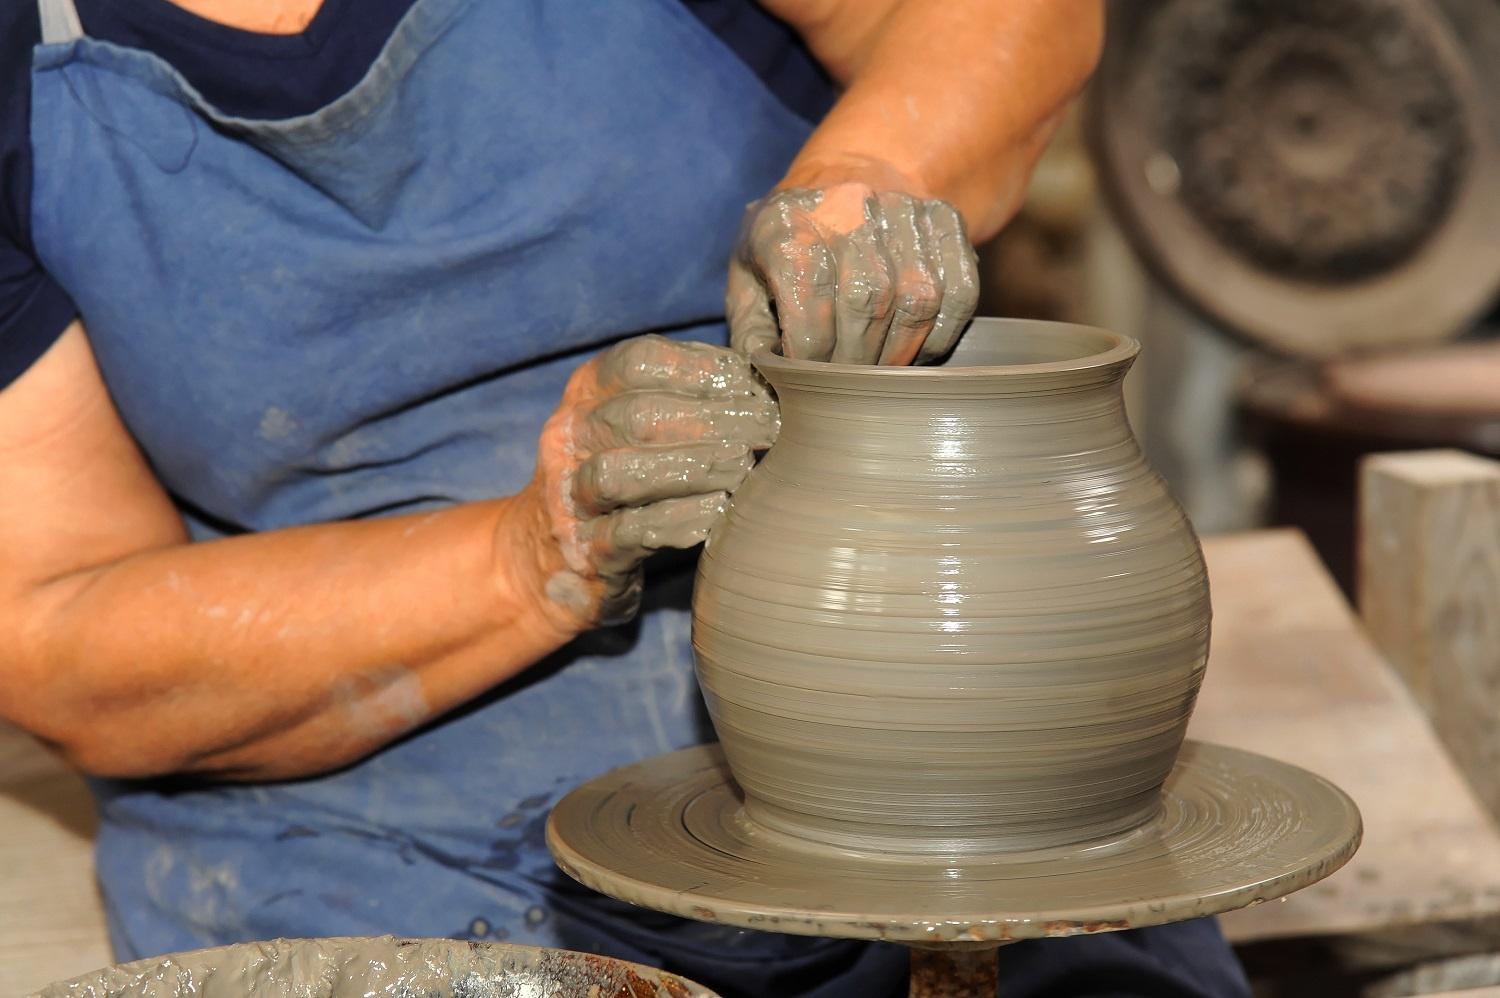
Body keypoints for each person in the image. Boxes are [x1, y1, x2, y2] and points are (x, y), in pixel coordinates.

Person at [0, 0, 1249, 994]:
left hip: (944, 752)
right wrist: (523, 555)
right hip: (368, 846)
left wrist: (868, 179)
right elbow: (58, 627)